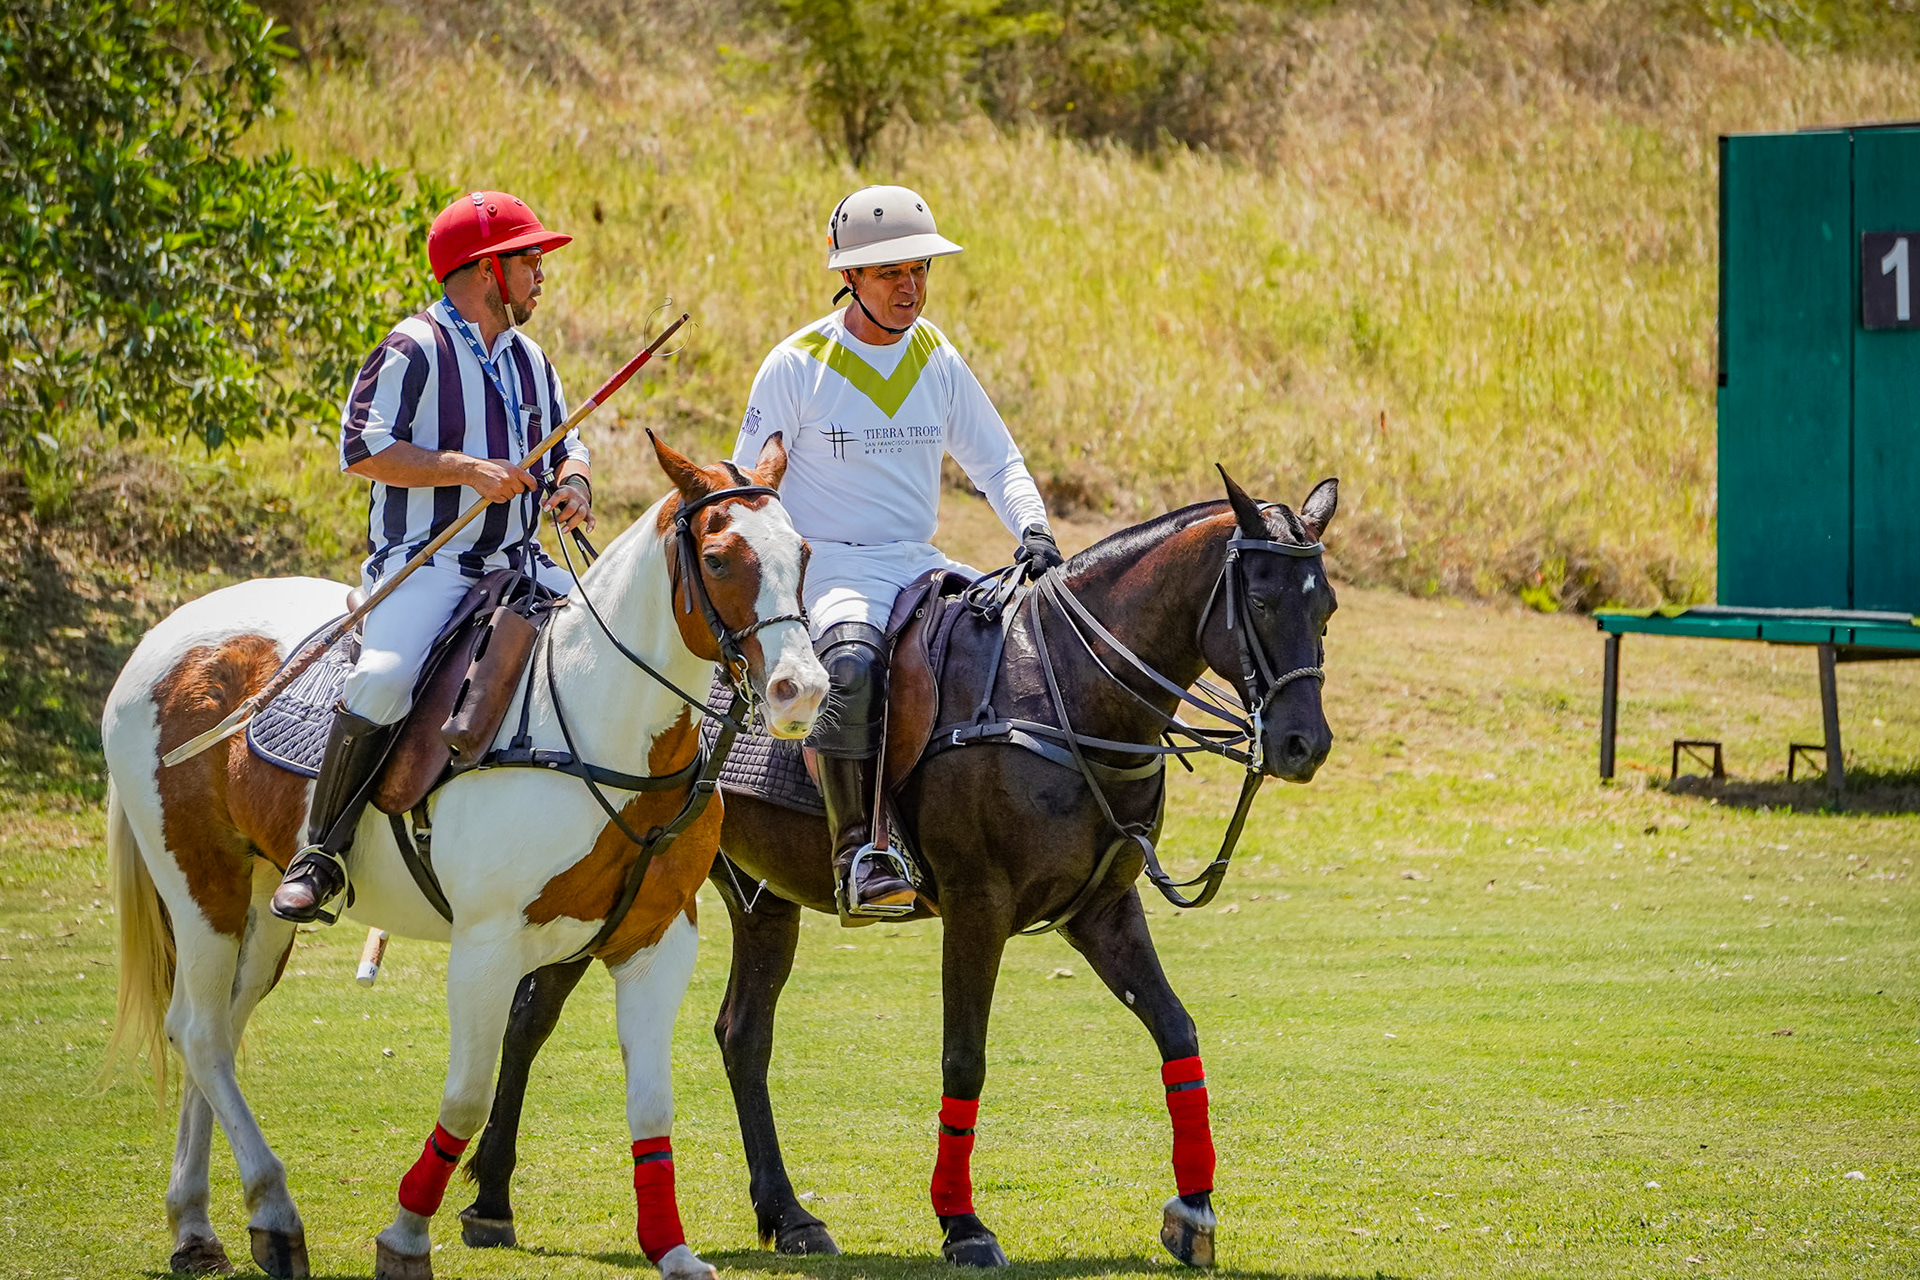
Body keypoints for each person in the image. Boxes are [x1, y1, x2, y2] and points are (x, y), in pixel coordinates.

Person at [731, 185, 1063, 920]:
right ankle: (858, 854)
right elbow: (749, 495)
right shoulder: (796, 365)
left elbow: (997, 462)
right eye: (889, 273)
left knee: (1018, 643)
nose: (909, 286)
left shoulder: (935, 355)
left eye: (919, 269)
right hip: (833, 567)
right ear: (850, 276)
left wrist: (1035, 531)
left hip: (921, 562)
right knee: (850, 666)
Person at [270, 190, 593, 924]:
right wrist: (466, 470)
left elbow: (568, 442)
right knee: (382, 681)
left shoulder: (531, 359)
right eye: (528, 260)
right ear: (486, 269)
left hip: (519, 563)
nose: (541, 274)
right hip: (428, 565)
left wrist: (574, 481)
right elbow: (363, 449)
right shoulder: (413, 348)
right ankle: (320, 852)